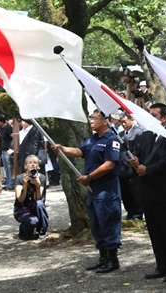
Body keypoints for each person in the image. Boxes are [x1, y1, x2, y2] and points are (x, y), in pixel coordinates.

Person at [51, 110, 122, 274]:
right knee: (96, 223)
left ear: (105, 121)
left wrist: (89, 177)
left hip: (106, 187)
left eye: (94, 118)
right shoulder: (93, 139)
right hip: (93, 189)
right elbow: (79, 151)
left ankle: (112, 258)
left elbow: (109, 164)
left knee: (108, 221)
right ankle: (103, 257)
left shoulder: (112, 139)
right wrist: (62, 149)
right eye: (91, 118)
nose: (91, 121)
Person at [130, 103, 166, 282]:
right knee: (154, 231)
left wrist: (148, 169)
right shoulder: (145, 136)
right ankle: (161, 265)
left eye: (153, 115)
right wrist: (135, 162)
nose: (149, 117)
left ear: (164, 118)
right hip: (147, 191)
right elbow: (137, 155)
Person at [13, 154, 49, 240]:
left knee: (39, 204)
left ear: (38, 166)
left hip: (35, 207)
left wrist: (37, 185)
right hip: (22, 209)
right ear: (25, 166)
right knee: (31, 225)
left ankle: (42, 231)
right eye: (30, 163)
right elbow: (20, 199)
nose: (33, 164)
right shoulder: (19, 178)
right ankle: (23, 231)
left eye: (35, 163)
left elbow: (38, 198)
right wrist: (25, 185)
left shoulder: (42, 177)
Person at [118, 113, 144, 220]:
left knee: (136, 192)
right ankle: (130, 211)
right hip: (123, 168)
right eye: (122, 122)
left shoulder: (138, 132)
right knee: (126, 193)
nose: (123, 124)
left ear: (131, 119)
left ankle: (138, 213)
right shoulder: (120, 134)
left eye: (125, 121)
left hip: (133, 168)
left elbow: (140, 149)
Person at [0, 114, 14, 190]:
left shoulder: (8, 128)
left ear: (1, 121)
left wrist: (12, 148)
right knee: (6, 168)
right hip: (2, 150)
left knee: (9, 167)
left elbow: (14, 138)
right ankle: (8, 183)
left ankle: (11, 183)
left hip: (7, 150)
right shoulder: (0, 129)